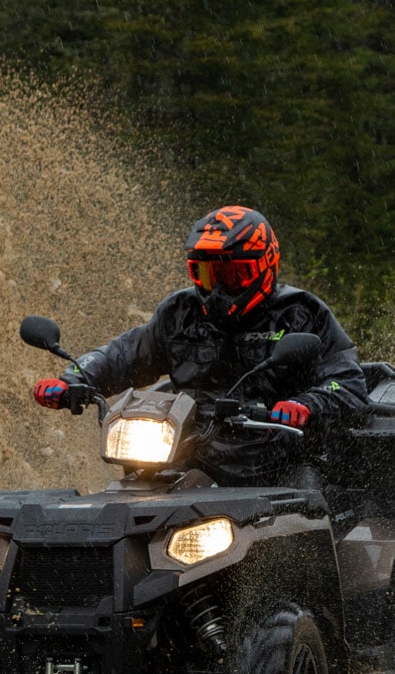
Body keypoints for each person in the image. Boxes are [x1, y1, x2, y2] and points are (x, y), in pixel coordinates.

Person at [31, 206, 368, 485]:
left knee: (305, 512)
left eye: (232, 276)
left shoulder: (302, 314)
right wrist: (72, 382)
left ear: (265, 266)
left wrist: (304, 405)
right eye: (207, 275)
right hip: (188, 455)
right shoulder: (179, 313)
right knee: (128, 500)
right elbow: (122, 355)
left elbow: (348, 384)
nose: (218, 289)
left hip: (279, 464)